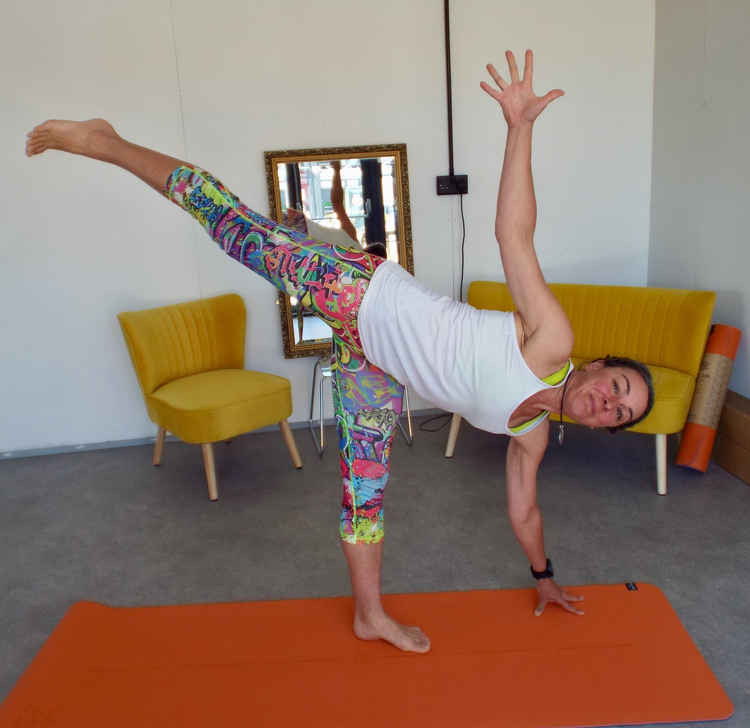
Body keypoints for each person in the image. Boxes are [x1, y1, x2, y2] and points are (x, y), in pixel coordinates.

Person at [25, 50, 653, 654]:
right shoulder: (553, 342)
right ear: (599, 367)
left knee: (365, 489)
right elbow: (513, 234)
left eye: (619, 415)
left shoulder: (533, 434)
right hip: (362, 293)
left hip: (376, 365)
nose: (608, 404)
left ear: (605, 426)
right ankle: (105, 141)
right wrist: (519, 129)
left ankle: (369, 616)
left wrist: (545, 577)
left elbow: (525, 510)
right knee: (235, 229)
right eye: (618, 388)